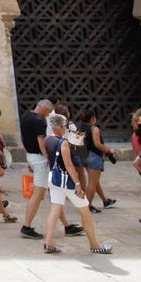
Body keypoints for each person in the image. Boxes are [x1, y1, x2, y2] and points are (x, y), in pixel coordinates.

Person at [41, 114, 112, 255]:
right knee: (85, 212)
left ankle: (48, 242)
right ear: (61, 127)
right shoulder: (63, 143)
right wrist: (78, 183)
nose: (66, 128)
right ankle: (94, 244)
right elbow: (68, 164)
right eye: (65, 126)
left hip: (53, 179)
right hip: (67, 181)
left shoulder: (47, 139)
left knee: (55, 210)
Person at [19, 100, 83, 240]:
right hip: (41, 160)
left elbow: (23, 139)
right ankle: (27, 226)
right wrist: (49, 158)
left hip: (32, 156)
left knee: (54, 191)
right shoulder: (39, 121)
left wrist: (28, 157)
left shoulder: (25, 117)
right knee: (38, 193)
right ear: (43, 108)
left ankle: (67, 226)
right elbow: (42, 143)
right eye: (47, 112)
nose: (47, 115)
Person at [77, 108, 118, 212]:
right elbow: (97, 144)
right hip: (94, 156)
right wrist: (109, 149)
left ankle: (105, 200)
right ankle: (88, 205)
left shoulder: (79, 128)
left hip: (83, 155)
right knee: (92, 182)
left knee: (94, 181)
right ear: (92, 118)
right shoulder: (94, 129)